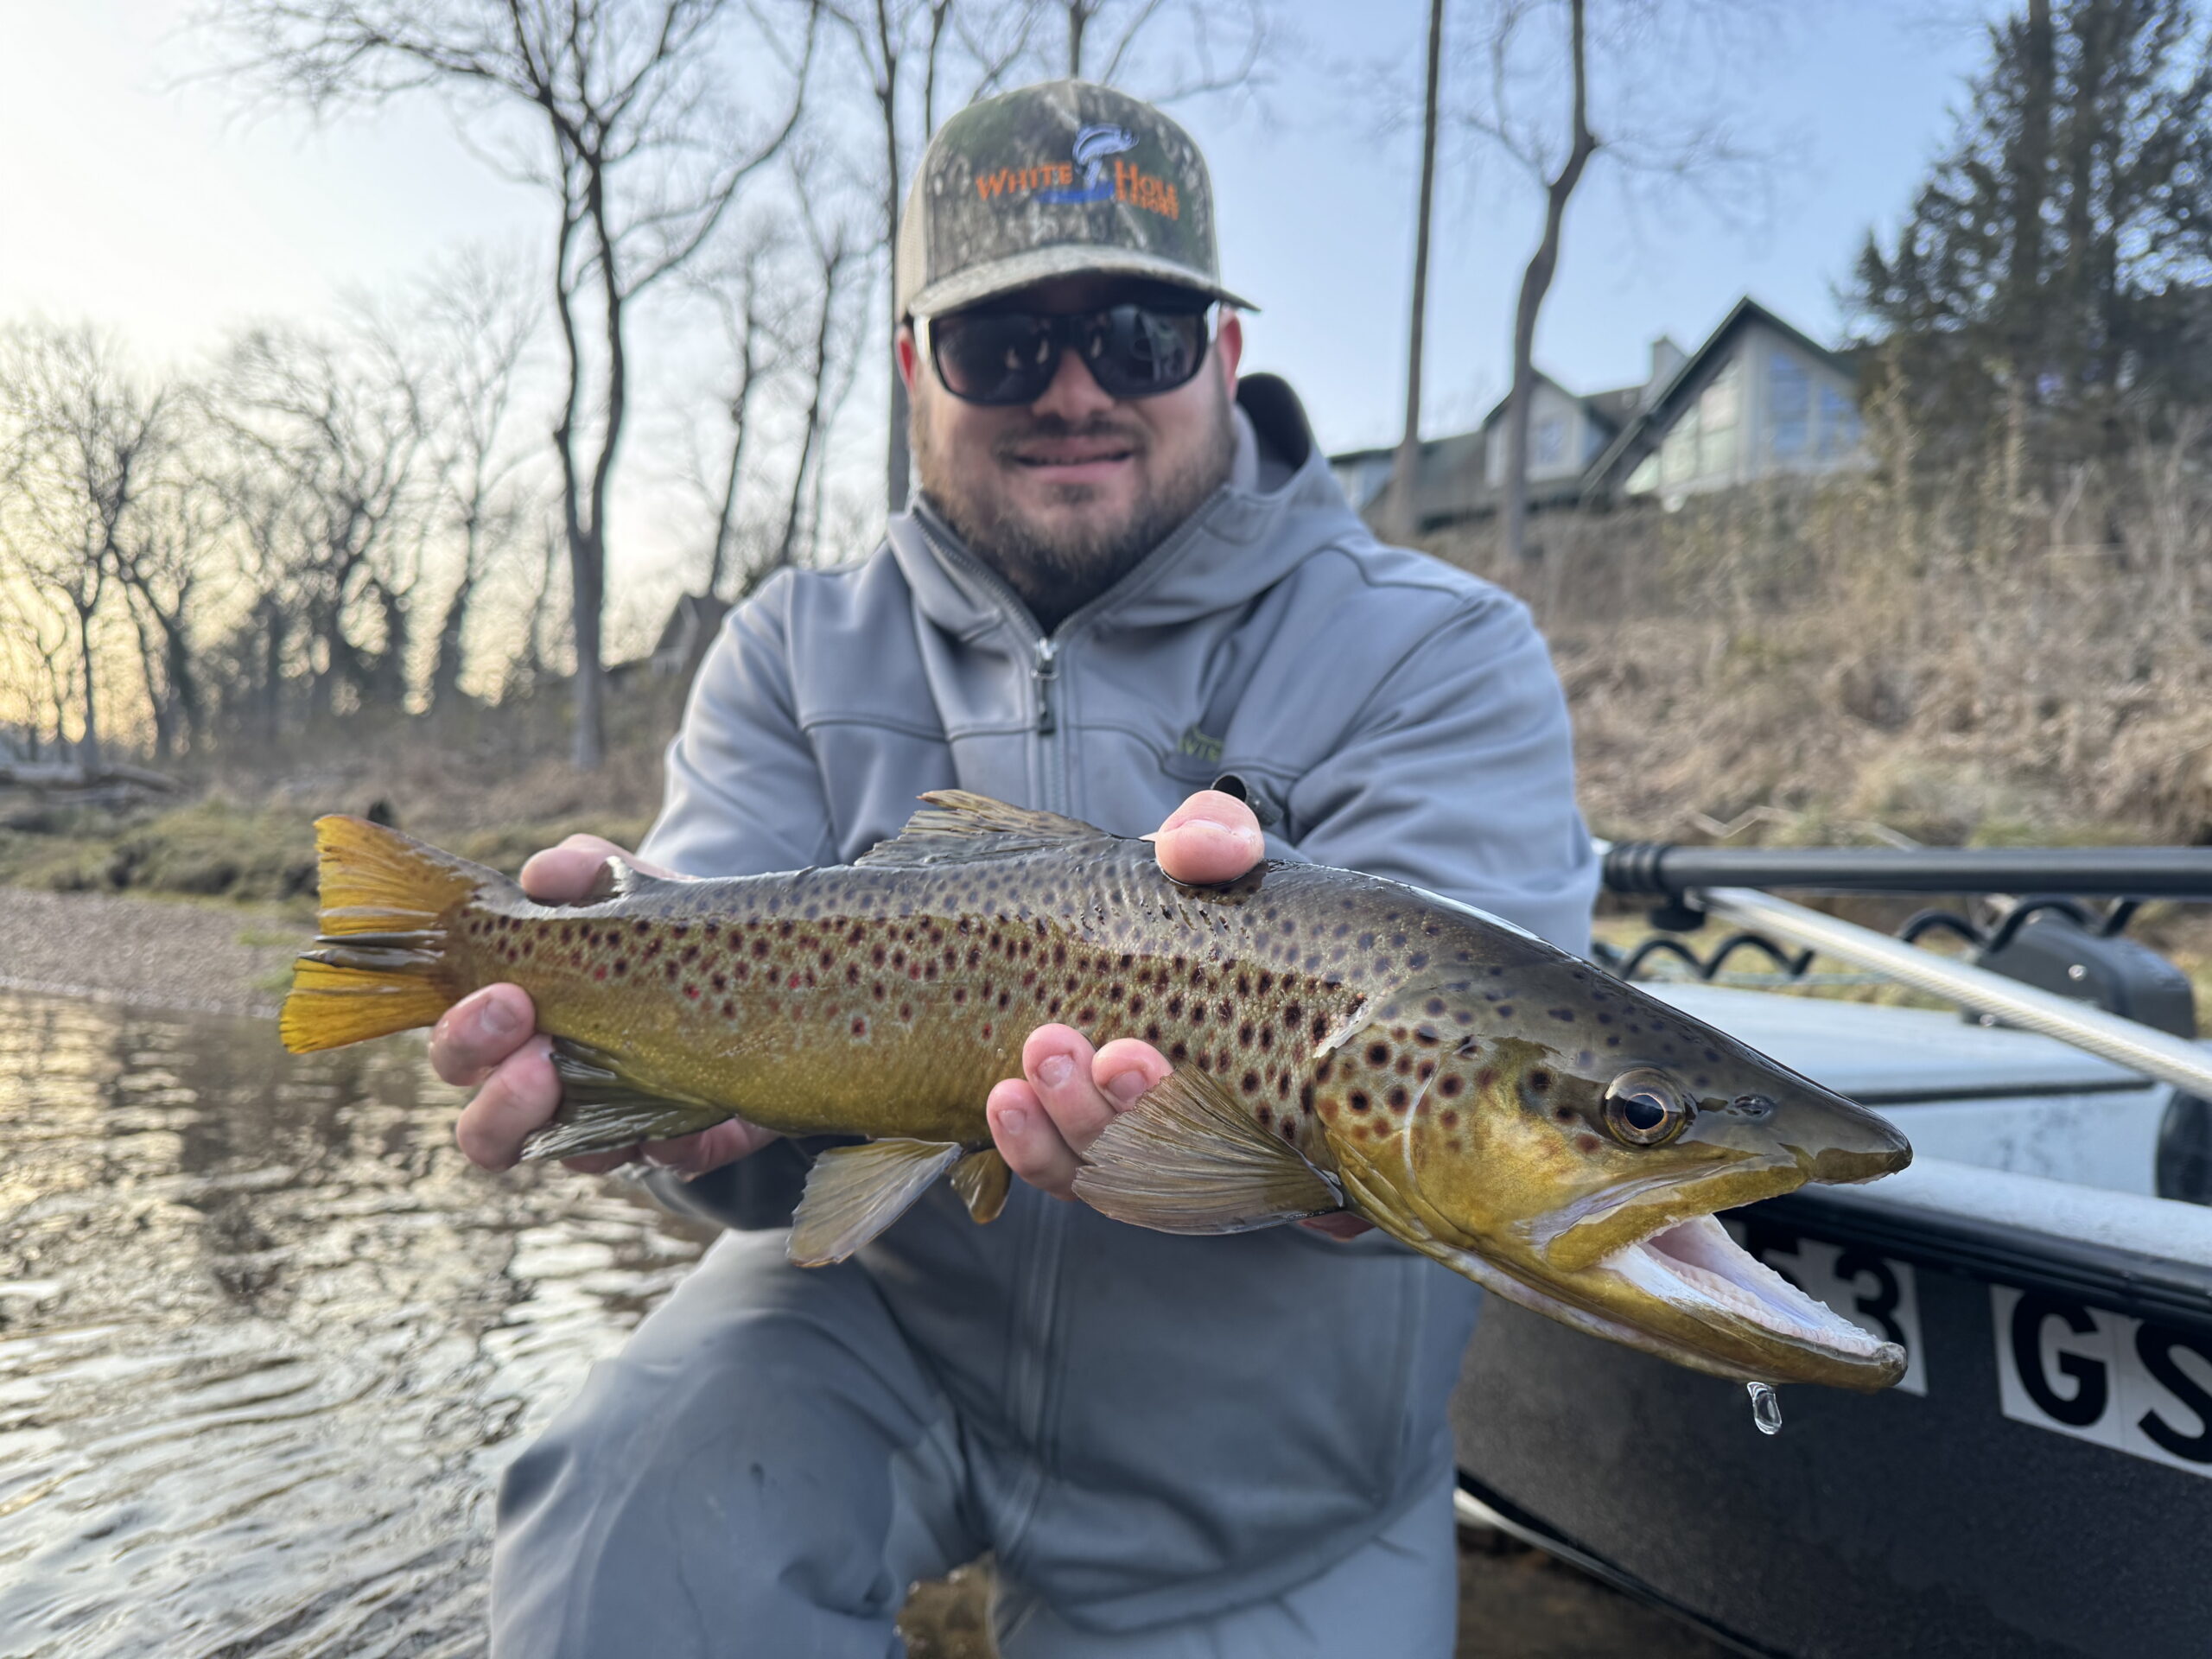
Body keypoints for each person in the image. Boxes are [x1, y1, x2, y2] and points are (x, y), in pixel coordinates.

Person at [437, 79, 1599, 1658]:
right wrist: (654, 1096)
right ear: (918, 369)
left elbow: (1469, 1105)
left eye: (1134, 338)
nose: (1070, 391)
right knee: (620, 1543)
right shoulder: (791, 646)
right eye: (1000, 346)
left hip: (1264, 1483)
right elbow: (748, 1148)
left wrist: (1311, 1155)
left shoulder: (1440, 647)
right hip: (883, 1329)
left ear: (1225, 354)